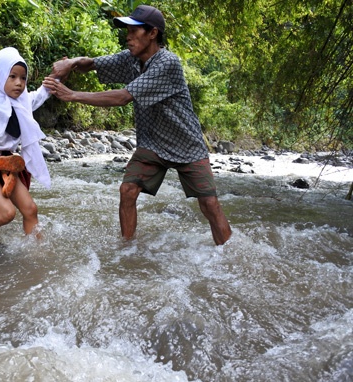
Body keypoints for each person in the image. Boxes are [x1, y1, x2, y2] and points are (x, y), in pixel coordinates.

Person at [43, 5, 232, 245]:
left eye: (134, 31)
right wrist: (70, 63)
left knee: (209, 204)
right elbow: (93, 63)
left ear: (152, 33)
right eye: (127, 31)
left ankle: (226, 253)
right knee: (128, 191)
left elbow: (122, 97)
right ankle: (127, 249)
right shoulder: (131, 59)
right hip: (152, 143)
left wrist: (71, 95)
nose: (128, 36)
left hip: (186, 144)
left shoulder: (167, 63)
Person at [0, 47, 51, 249]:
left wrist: (54, 80)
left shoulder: (20, 102)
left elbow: (36, 97)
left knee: (30, 209)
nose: (19, 83)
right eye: (12, 76)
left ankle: (37, 253)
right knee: (7, 213)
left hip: (9, 163)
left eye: (22, 78)